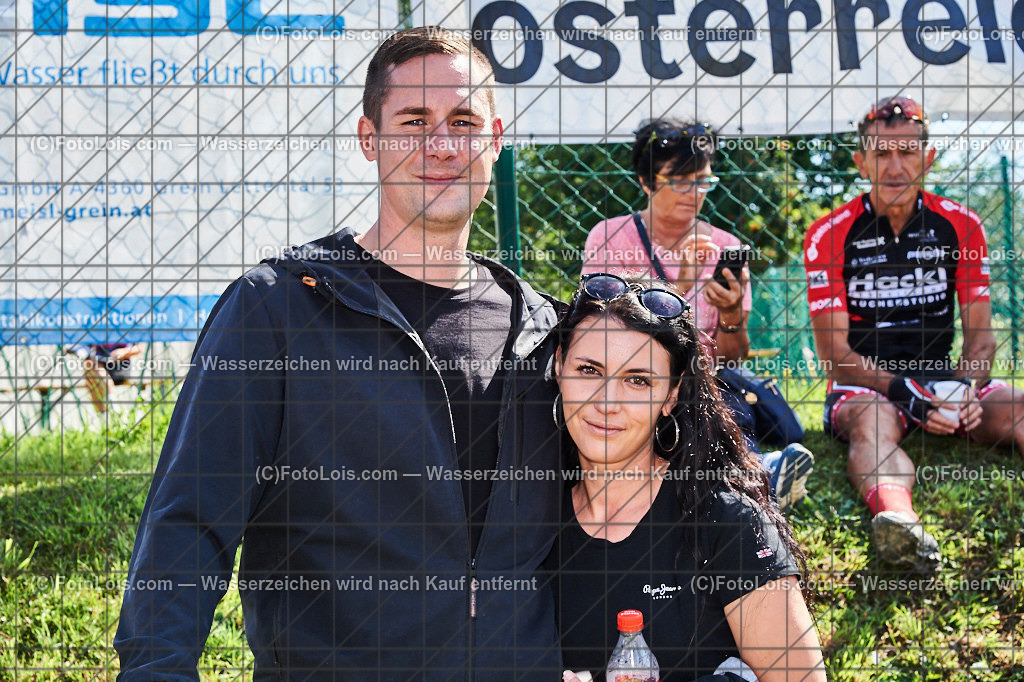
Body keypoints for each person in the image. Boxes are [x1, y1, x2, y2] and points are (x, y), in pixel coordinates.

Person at [114, 27, 564, 678]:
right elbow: (188, 524)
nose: (440, 145)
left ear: (494, 140)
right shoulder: (279, 310)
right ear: (368, 139)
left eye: (463, 121)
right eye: (413, 121)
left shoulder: (544, 331)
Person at [547, 272, 826, 681]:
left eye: (637, 380)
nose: (606, 401)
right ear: (558, 367)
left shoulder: (725, 522)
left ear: (671, 395)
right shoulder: (523, 521)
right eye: (589, 370)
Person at [804, 95, 1024, 573]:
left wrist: (964, 391)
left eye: (908, 151)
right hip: (867, 386)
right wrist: (904, 391)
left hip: (940, 379)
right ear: (861, 162)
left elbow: (981, 338)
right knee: (873, 423)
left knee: (1017, 405)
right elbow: (835, 356)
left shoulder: (962, 225)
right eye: (882, 154)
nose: (896, 166)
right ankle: (900, 523)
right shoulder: (828, 233)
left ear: (928, 157)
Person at [581, 119, 812, 512]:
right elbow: (601, 333)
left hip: (704, 376)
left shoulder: (724, 245)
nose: (694, 193)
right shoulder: (609, 237)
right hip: (631, 376)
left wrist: (731, 314)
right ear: (646, 181)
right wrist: (679, 291)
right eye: (680, 180)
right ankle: (758, 478)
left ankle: (750, 479)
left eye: (703, 181)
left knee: (711, 396)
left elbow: (731, 356)